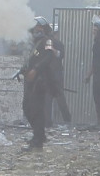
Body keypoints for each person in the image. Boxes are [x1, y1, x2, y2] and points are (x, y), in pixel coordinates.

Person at [17, 20, 56, 151]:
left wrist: (36, 69)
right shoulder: (34, 44)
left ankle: (38, 140)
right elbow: (31, 61)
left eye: (39, 27)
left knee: (36, 110)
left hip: (40, 81)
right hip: (31, 81)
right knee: (27, 108)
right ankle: (39, 134)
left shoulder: (48, 41)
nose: (36, 29)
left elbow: (49, 56)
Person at [32, 17, 72, 127]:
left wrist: (52, 51)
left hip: (56, 74)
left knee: (58, 98)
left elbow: (60, 55)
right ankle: (48, 122)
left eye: (39, 28)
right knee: (48, 98)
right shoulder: (40, 43)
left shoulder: (56, 43)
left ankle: (67, 120)